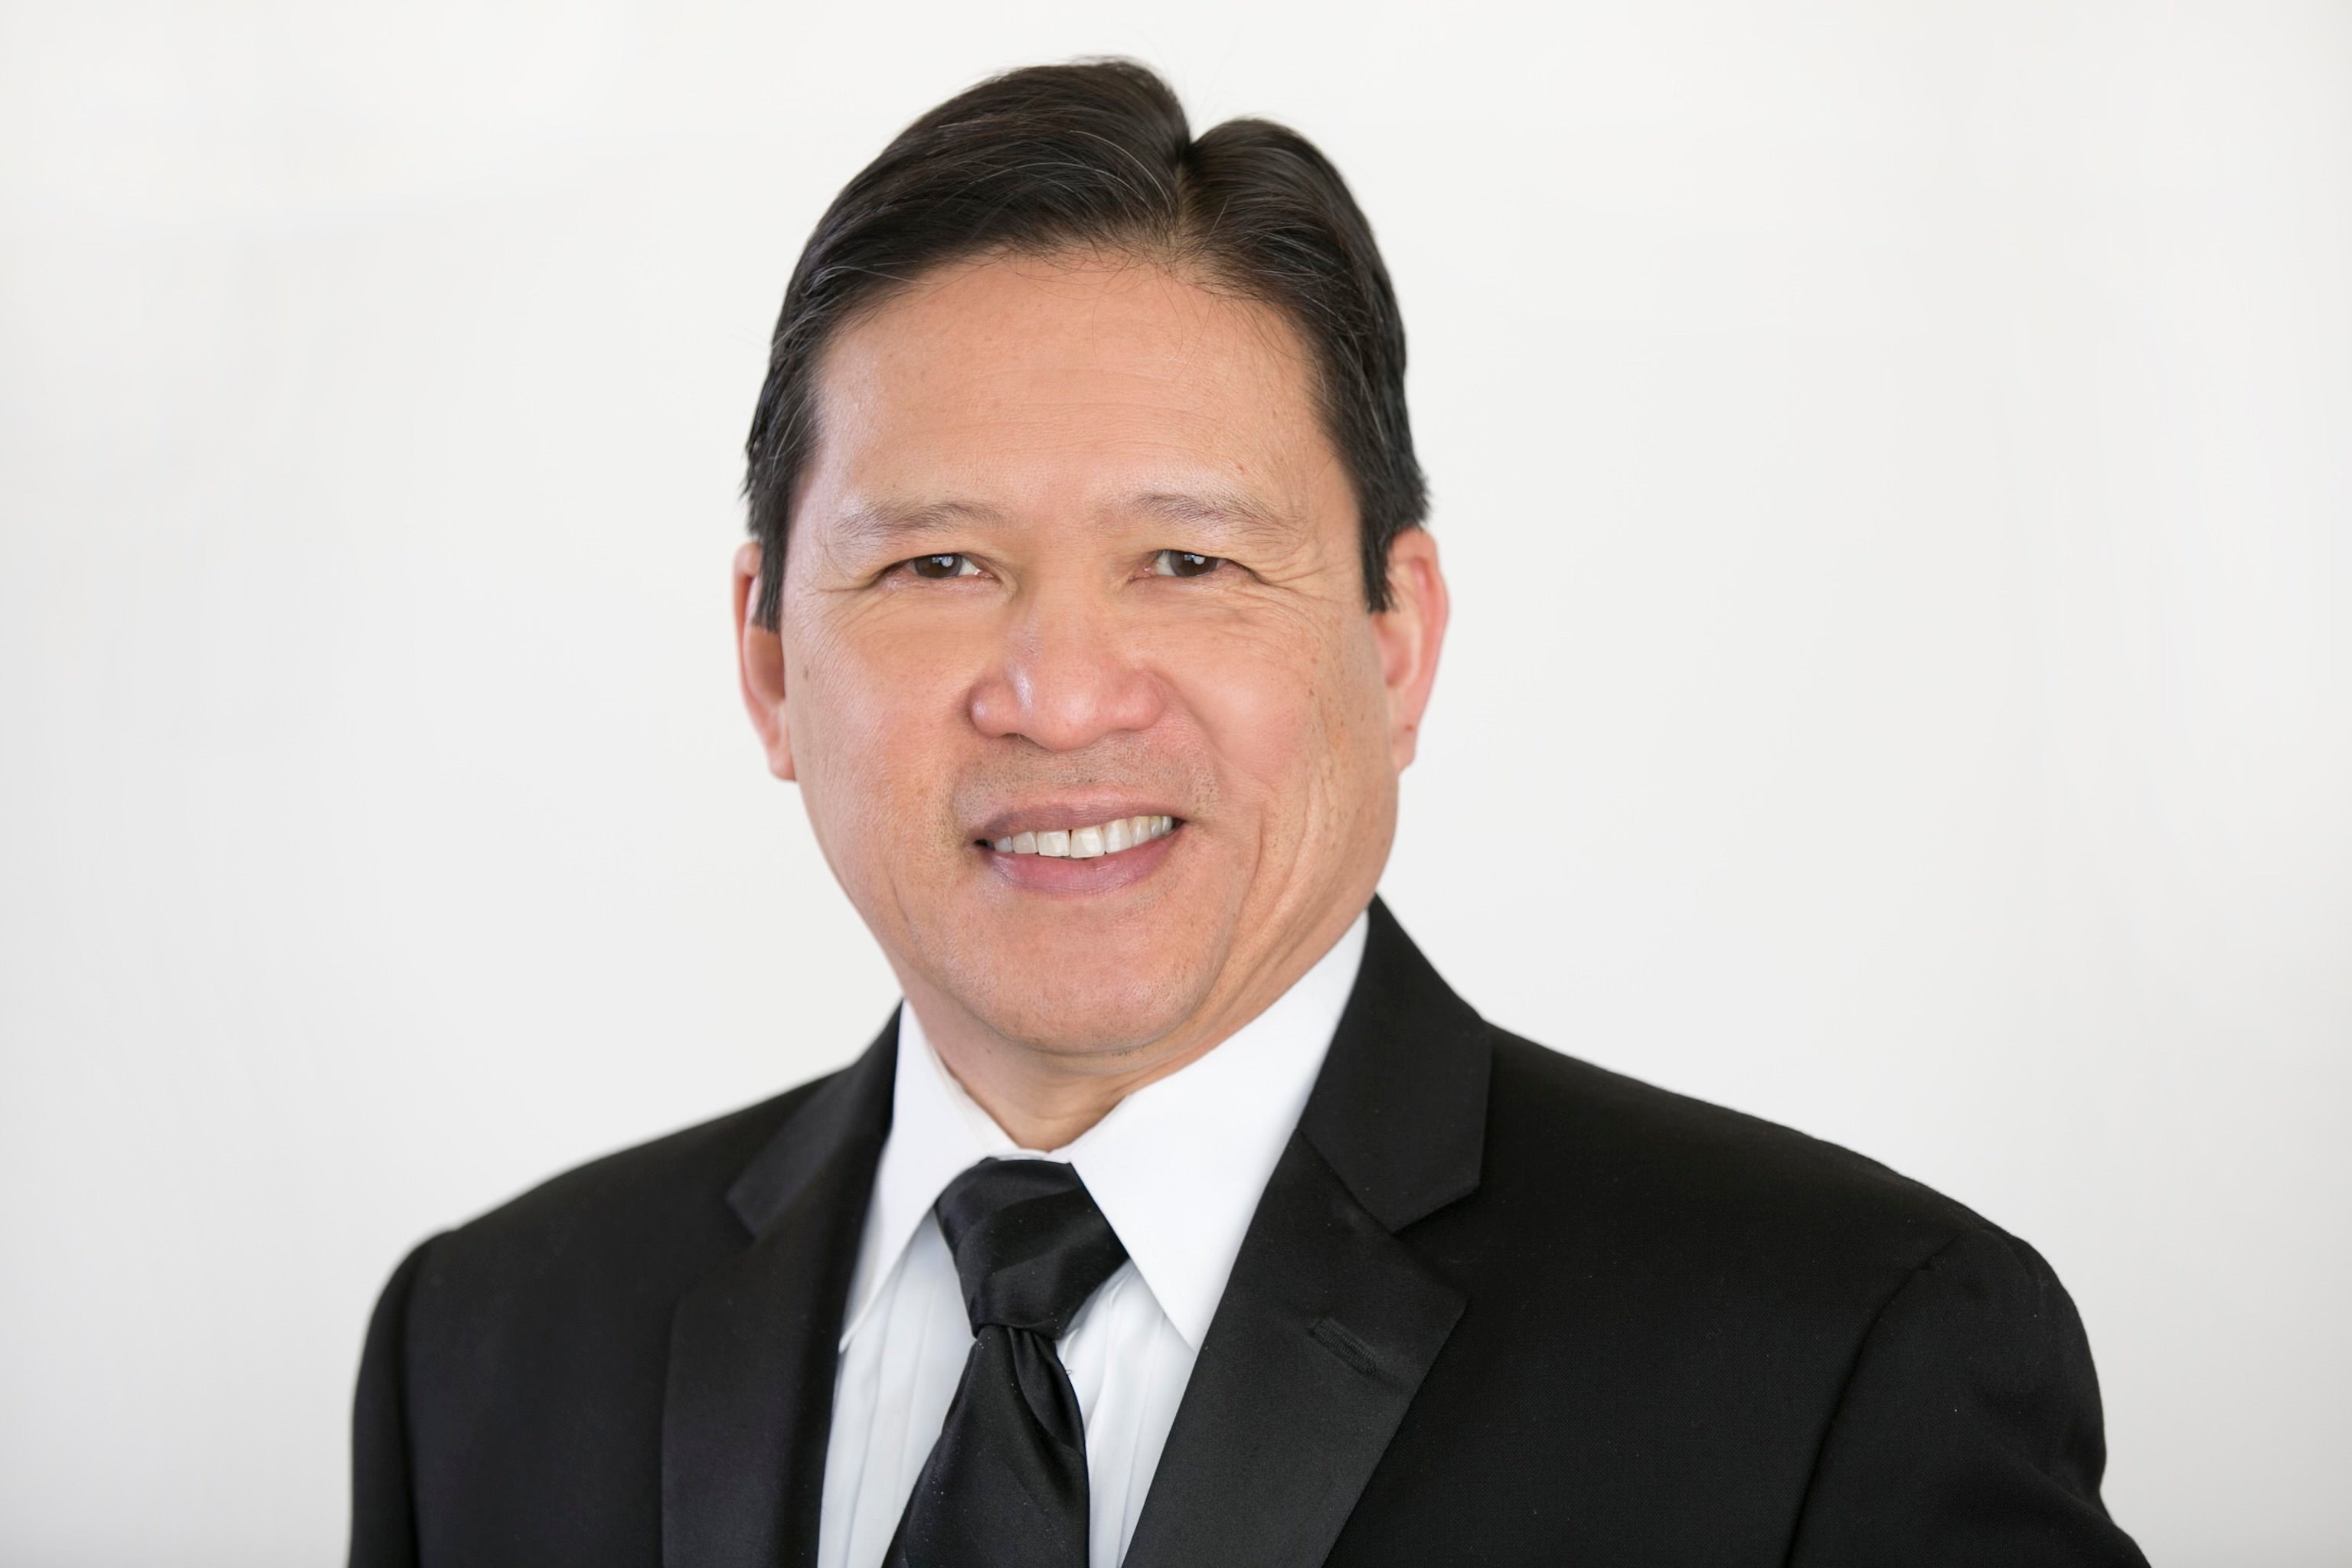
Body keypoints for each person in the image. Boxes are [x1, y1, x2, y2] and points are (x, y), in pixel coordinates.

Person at [348, 59, 2146, 1568]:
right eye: (940, 565)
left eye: (1188, 560)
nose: (1061, 695)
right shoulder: (490, 1349)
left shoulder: (1841, 1363)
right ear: (765, 660)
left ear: (1397, 640)